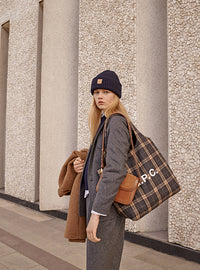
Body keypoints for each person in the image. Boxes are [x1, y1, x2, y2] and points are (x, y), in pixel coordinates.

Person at [74, 70, 134, 270]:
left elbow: (115, 170)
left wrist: (96, 214)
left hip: (105, 207)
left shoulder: (115, 122)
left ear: (116, 95)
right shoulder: (105, 121)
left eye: (106, 91)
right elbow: (104, 163)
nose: (100, 96)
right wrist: (83, 165)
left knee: (101, 265)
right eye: (96, 91)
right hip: (101, 204)